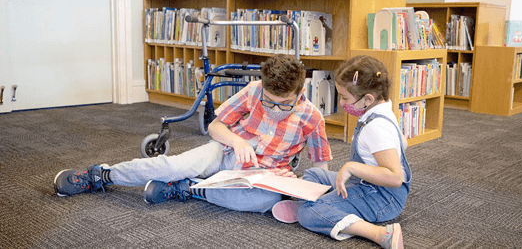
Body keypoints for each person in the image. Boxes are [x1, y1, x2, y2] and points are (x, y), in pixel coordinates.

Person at [54, 54, 332, 213]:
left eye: (284, 104)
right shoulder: (252, 91)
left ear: (301, 92)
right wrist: (236, 141)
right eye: (268, 101)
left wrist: (306, 191)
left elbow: (321, 166)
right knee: (173, 165)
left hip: (265, 175)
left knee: (266, 200)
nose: (273, 109)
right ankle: (101, 175)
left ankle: (187, 189)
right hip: (224, 152)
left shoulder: (312, 117)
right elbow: (215, 127)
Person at [271, 55, 411, 249]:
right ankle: (327, 205)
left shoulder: (375, 127)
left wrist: (352, 167)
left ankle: (381, 234)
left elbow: (396, 178)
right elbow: (402, 143)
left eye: (345, 97)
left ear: (367, 99)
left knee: (308, 214)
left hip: (382, 198)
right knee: (314, 174)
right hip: (368, 185)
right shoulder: (382, 108)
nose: (342, 102)